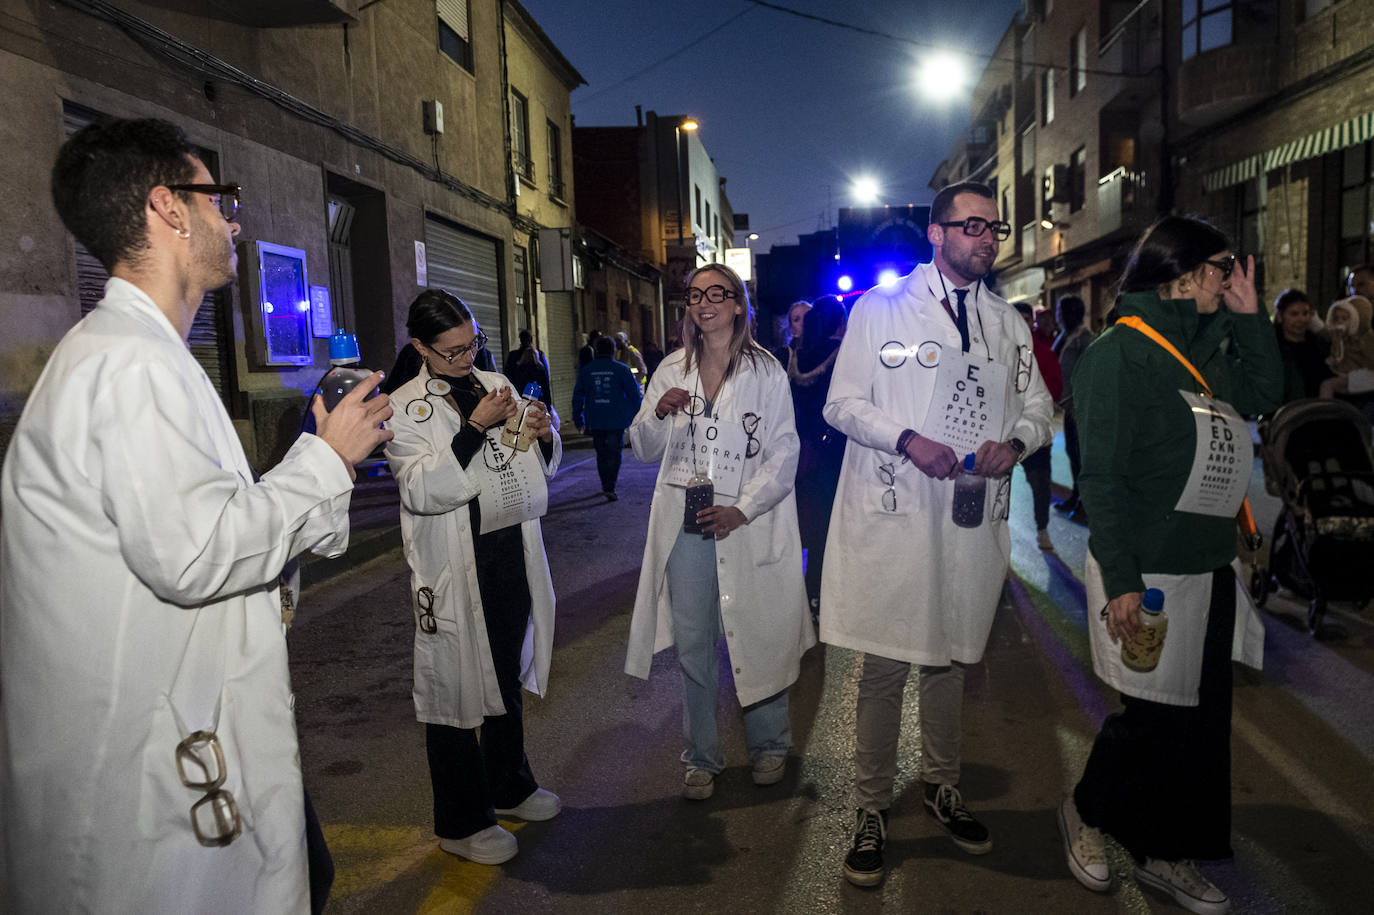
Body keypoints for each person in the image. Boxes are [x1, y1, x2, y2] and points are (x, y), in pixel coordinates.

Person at [0, 118, 393, 914]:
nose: (235, 218)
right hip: (148, 782)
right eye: (223, 198)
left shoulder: (141, 357)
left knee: (304, 873)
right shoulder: (128, 363)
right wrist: (328, 458)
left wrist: (318, 466)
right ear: (168, 209)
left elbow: (216, 524)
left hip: (180, 743)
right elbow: (197, 550)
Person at [821, 181, 1053, 886]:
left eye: (994, 228)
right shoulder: (880, 308)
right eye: (972, 226)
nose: (985, 239)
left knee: (951, 657)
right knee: (888, 661)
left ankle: (943, 786)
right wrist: (907, 437)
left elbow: (1040, 407)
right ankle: (869, 807)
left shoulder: (1009, 322)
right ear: (937, 231)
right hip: (899, 508)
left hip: (968, 512)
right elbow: (841, 404)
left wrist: (1016, 442)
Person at [1059, 216, 1281, 915]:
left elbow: (1266, 396)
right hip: (1148, 569)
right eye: (1222, 267)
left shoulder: (1206, 345)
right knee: (1152, 715)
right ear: (1180, 273)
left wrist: (1249, 319)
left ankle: (1165, 845)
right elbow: (1102, 478)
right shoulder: (1118, 354)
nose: (1230, 277)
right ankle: (1089, 813)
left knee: (1200, 719)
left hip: (1209, 561)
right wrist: (1121, 578)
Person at [626, 263, 815, 801]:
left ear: (738, 304)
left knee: (758, 631)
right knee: (693, 644)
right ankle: (701, 756)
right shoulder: (670, 369)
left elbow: (783, 450)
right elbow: (643, 448)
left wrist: (745, 509)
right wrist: (658, 414)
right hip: (687, 521)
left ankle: (770, 745)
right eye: (695, 295)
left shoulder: (766, 371)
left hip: (743, 523)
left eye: (717, 293)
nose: (704, 303)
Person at [385, 289, 562, 866]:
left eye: (473, 344)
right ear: (421, 347)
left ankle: (509, 786)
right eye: (454, 351)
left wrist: (539, 434)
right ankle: (461, 822)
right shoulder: (404, 406)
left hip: (508, 550)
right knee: (453, 694)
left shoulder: (493, 384)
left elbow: (522, 462)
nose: (468, 359)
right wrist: (474, 429)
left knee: (505, 672)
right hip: (454, 565)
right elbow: (420, 489)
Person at [788, 294, 848, 614]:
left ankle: (806, 592)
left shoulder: (795, 356)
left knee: (808, 522)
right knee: (832, 524)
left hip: (801, 450)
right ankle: (823, 592)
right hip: (835, 451)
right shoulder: (843, 354)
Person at [1014, 302, 1063, 552]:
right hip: (1001, 431)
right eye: (1017, 318)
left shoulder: (1044, 353)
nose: (1022, 324)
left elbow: (1054, 389)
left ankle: (1042, 529)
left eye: (1026, 319)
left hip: (1034, 432)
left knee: (1041, 482)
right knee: (996, 486)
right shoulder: (995, 349)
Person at [573, 335, 642, 500]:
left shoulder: (586, 371)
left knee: (601, 453)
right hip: (617, 419)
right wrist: (636, 417)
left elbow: (577, 397)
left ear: (596, 351)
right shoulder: (622, 369)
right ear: (613, 350)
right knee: (614, 452)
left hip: (595, 419)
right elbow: (634, 395)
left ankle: (605, 484)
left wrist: (578, 418)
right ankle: (610, 485)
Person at [1052, 294, 1092, 518]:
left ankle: (1085, 505)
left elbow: (1089, 374)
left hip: (1079, 409)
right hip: (1068, 408)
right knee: (1072, 454)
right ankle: (1075, 498)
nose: (1057, 315)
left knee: (1080, 457)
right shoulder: (1065, 336)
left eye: (1060, 310)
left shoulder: (1083, 339)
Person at [1271, 289, 1332, 402]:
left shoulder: (1319, 345)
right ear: (1280, 316)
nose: (1302, 319)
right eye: (1294, 314)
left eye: (1305, 313)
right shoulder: (1273, 348)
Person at [504, 328, 553, 402]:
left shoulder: (513, 355)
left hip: (519, 395)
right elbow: (545, 380)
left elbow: (508, 376)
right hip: (536, 396)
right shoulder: (538, 355)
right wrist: (548, 402)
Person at [772, 299, 811, 364]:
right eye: (796, 319)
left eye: (808, 317)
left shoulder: (827, 351)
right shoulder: (783, 356)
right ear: (792, 329)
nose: (803, 322)